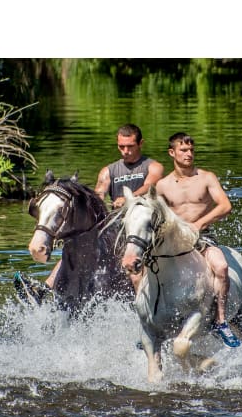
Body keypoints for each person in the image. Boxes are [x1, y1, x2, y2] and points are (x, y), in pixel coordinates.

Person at [15, 124, 163, 304]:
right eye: (121, 147)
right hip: (115, 226)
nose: (125, 151)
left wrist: (129, 199)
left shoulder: (153, 167)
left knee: (134, 267)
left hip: (140, 226)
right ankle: (44, 289)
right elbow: (98, 194)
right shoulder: (108, 171)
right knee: (74, 244)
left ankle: (143, 304)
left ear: (141, 143)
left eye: (130, 146)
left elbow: (149, 187)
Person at [154, 132, 241, 348]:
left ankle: (220, 321)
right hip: (174, 241)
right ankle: (150, 323)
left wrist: (199, 224)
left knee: (221, 267)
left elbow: (225, 206)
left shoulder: (206, 178)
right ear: (172, 153)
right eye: (184, 150)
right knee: (141, 269)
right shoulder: (162, 186)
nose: (189, 153)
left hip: (203, 237)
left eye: (192, 149)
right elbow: (156, 216)